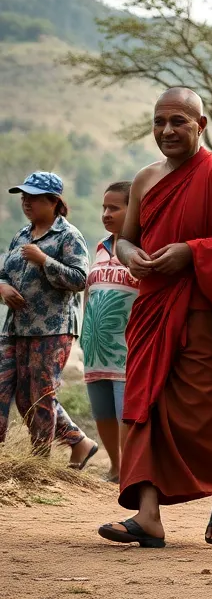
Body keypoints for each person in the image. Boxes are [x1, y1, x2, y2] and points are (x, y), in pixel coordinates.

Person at [97, 88, 212, 549]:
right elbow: (125, 239)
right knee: (144, 404)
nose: (167, 131)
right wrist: (133, 256)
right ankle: (148, 516)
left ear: (202, 123)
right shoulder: (145, 179)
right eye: (159, 122)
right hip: (153, 309)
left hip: (202, 314)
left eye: (178, 121)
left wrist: (192, 253)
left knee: (202, 416)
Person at [0, 171, 97, 466]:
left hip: (52, 328)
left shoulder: (69, 236)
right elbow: (4, 273)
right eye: (24, 197)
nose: (26, 202)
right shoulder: (21, 235)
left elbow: (80, 279)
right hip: (16, 326)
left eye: (33, 197)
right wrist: (2, 287)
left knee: (40, 396)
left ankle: (38, 462)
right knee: (8, 388)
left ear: (53, 201)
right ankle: (79, 441)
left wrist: (44, 260)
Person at [81, 181, 139, 482]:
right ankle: (115, 467)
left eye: (114, 208)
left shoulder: (142, 249)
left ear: (134, 209)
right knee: (102, 411)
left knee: (124, 413)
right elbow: (89, 291)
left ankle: (131, 470)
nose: (106, 213)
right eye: (104, 207)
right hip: (95, 347)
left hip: (127, 347)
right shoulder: (100, 247)